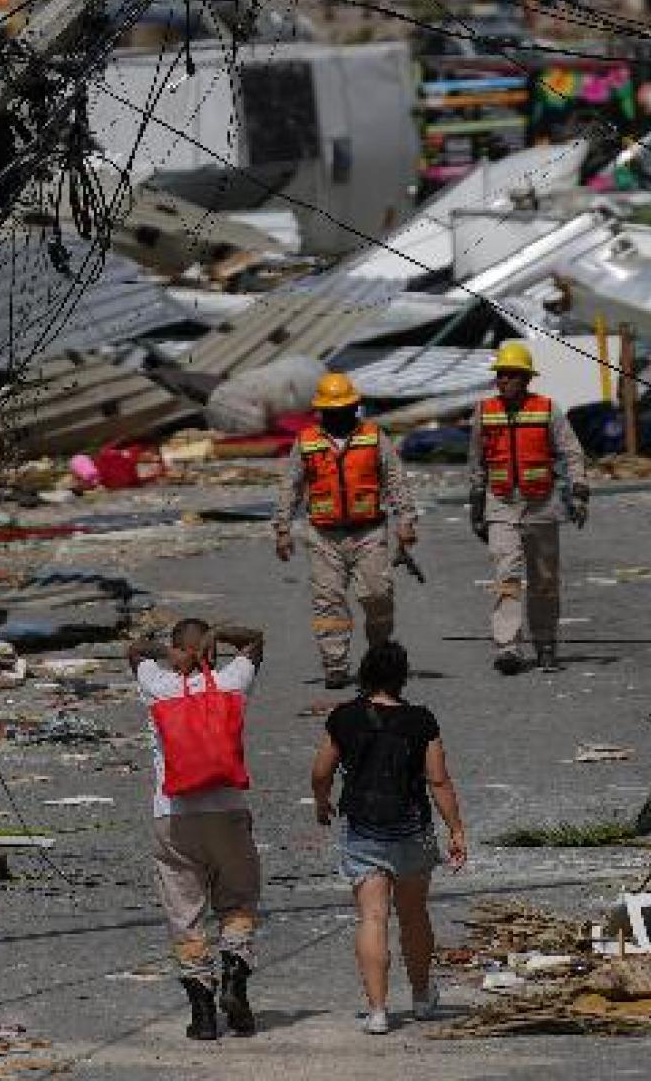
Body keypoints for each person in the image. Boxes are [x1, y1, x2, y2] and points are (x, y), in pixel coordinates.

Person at [311, 640, 470, 1033]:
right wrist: (456, 829)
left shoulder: (344, 717)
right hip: (411, 830)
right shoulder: (421, 720)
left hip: (364, 831)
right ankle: (420, 998)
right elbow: (438, 779)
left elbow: (321, 771)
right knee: (414, 916)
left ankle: (378, 1011)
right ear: (402, 677)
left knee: (372, 917)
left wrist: (321, 800)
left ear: (364, 674)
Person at [131, 616, 267, 1040]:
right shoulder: (231, 682)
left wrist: (168, 652)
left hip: (172, 815)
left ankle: (203, 1013)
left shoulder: (156, 684)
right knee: (239, 899)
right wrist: (222, 635)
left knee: (184, 912)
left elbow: (133, 650)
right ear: (210, 650)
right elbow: (257, 639)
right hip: (227, 809)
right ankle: (234, 975)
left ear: (174, 649)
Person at [275, 371, 418, 688]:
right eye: (331, 410)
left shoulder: (373, 436)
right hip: (324, 536)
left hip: (369, 533)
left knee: (379, 596)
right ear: (321, 411)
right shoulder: (307, 442)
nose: (337, 415)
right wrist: (282, 528)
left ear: (354, 407)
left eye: (343, 409)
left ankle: (378, 656)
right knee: (328, 602)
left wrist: (406, 521)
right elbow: (291, 486)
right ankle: (335, 665)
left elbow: (395, 479)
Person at [466, 340, 587, 674]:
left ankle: (546, 643)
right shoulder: (483, 411)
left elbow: (571, 451)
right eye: (500, 375)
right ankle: (508, 648)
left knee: (544, 579)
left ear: (525, 378)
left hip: (542, 504)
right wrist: (476, 505)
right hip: (501, 503)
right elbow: (476, 459)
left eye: (509, 375)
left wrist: (579, 492)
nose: (502, 380)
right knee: (506, 575)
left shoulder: (547, 409)